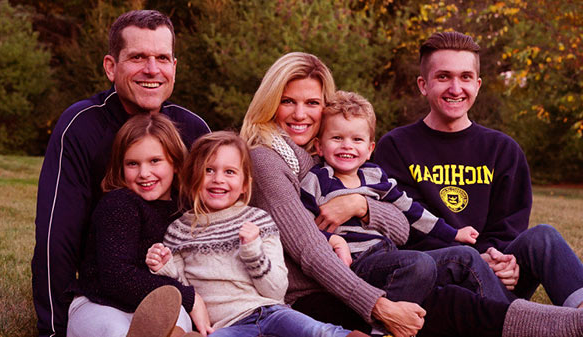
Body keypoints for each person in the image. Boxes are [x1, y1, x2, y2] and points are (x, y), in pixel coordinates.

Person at [240, 51, 583, 337]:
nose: (301, 114)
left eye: (312, 102)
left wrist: (361, 205)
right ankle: (565, 325)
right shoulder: (270, 160)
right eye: (288, 101)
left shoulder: (320, 156)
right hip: (338, 286)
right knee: (451, 303)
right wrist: (379, 306)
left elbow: (401, 221)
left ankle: (574, 317)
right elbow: (313, 250)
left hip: (414, 265)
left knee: (531, 244)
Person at [32, 10, 211, 337]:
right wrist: (52, 330)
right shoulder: (82, 125)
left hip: (167, 289)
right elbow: (55, 240)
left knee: (174, 323)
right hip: (100, 292)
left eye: (162, 57)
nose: (152, 69)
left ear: (174, 67)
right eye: (138, 57)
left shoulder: (194, 130)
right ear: (111, 67)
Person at [375, 31, 583, 308]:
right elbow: (405, 229)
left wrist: (499, 260)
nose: (455, 88)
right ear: (423, 85)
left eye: (465, 77)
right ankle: (521, 321)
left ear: (478, 84)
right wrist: (471, 258)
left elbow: (508, 228)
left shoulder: (502, 150)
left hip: (497, 274)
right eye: (443, 77)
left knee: (543, 236)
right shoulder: (397, 147)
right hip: (435, 276)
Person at [145, 131, 369, 337]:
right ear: (192, 178)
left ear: (244, 184)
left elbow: (276, 290)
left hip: (272, 311)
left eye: (230, 172)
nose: (218, 179)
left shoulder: (258, 220)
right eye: (208, 170)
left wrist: (252, 251)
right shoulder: (179, 231)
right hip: (228, 325)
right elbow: (184, 291)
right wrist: (164, 267)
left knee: (319, 331)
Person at [300, 90, 479, 264]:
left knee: (461, 260)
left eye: (357, 140)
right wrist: (334, 242)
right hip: (355, 261)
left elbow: (410, 209)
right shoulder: (317, 180)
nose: (347, 146)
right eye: (337, 138)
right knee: (420, 264)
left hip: (387, 253)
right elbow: (302, 229)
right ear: (319, 147)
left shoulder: (375, 176)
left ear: (370, 149)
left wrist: (453, 233)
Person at [67, 114, 203, 337]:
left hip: (155, 305)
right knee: (115, 330)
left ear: (176, 163)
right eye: (132, 164)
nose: (144, 173)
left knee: (177, 316)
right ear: (121, 167)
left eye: (155, 161)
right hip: (100, 304)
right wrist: (190, 298)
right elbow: (117, 278)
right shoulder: (119, 203)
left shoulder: (183, 209)